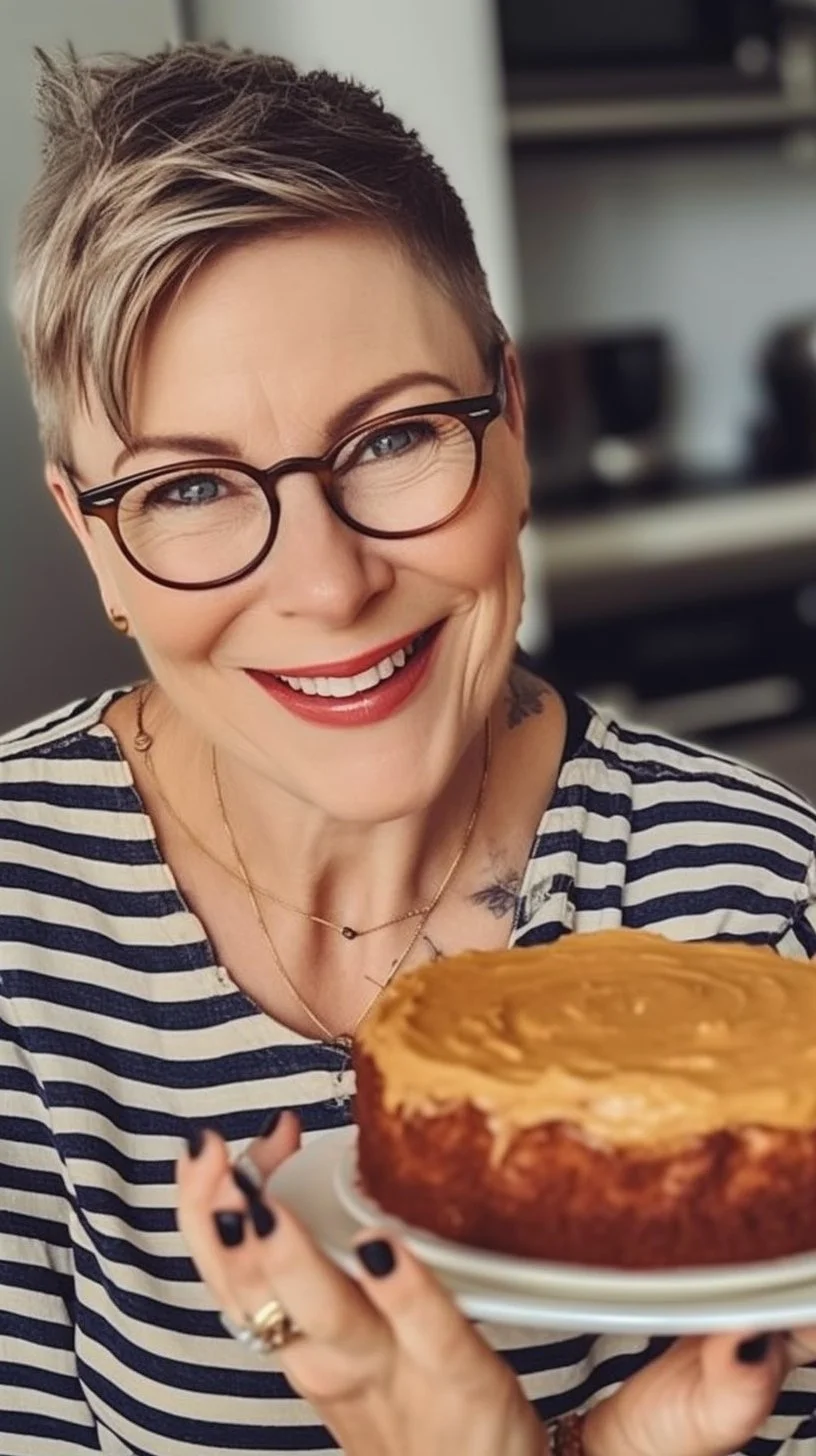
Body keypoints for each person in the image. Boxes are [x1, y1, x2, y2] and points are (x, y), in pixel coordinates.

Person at [1, 40, 815, 1456]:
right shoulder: (16, 933)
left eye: (392, 440)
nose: (325, 585)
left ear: (506, 431)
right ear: (96, 545)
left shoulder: (763, 915)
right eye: (190, 485)